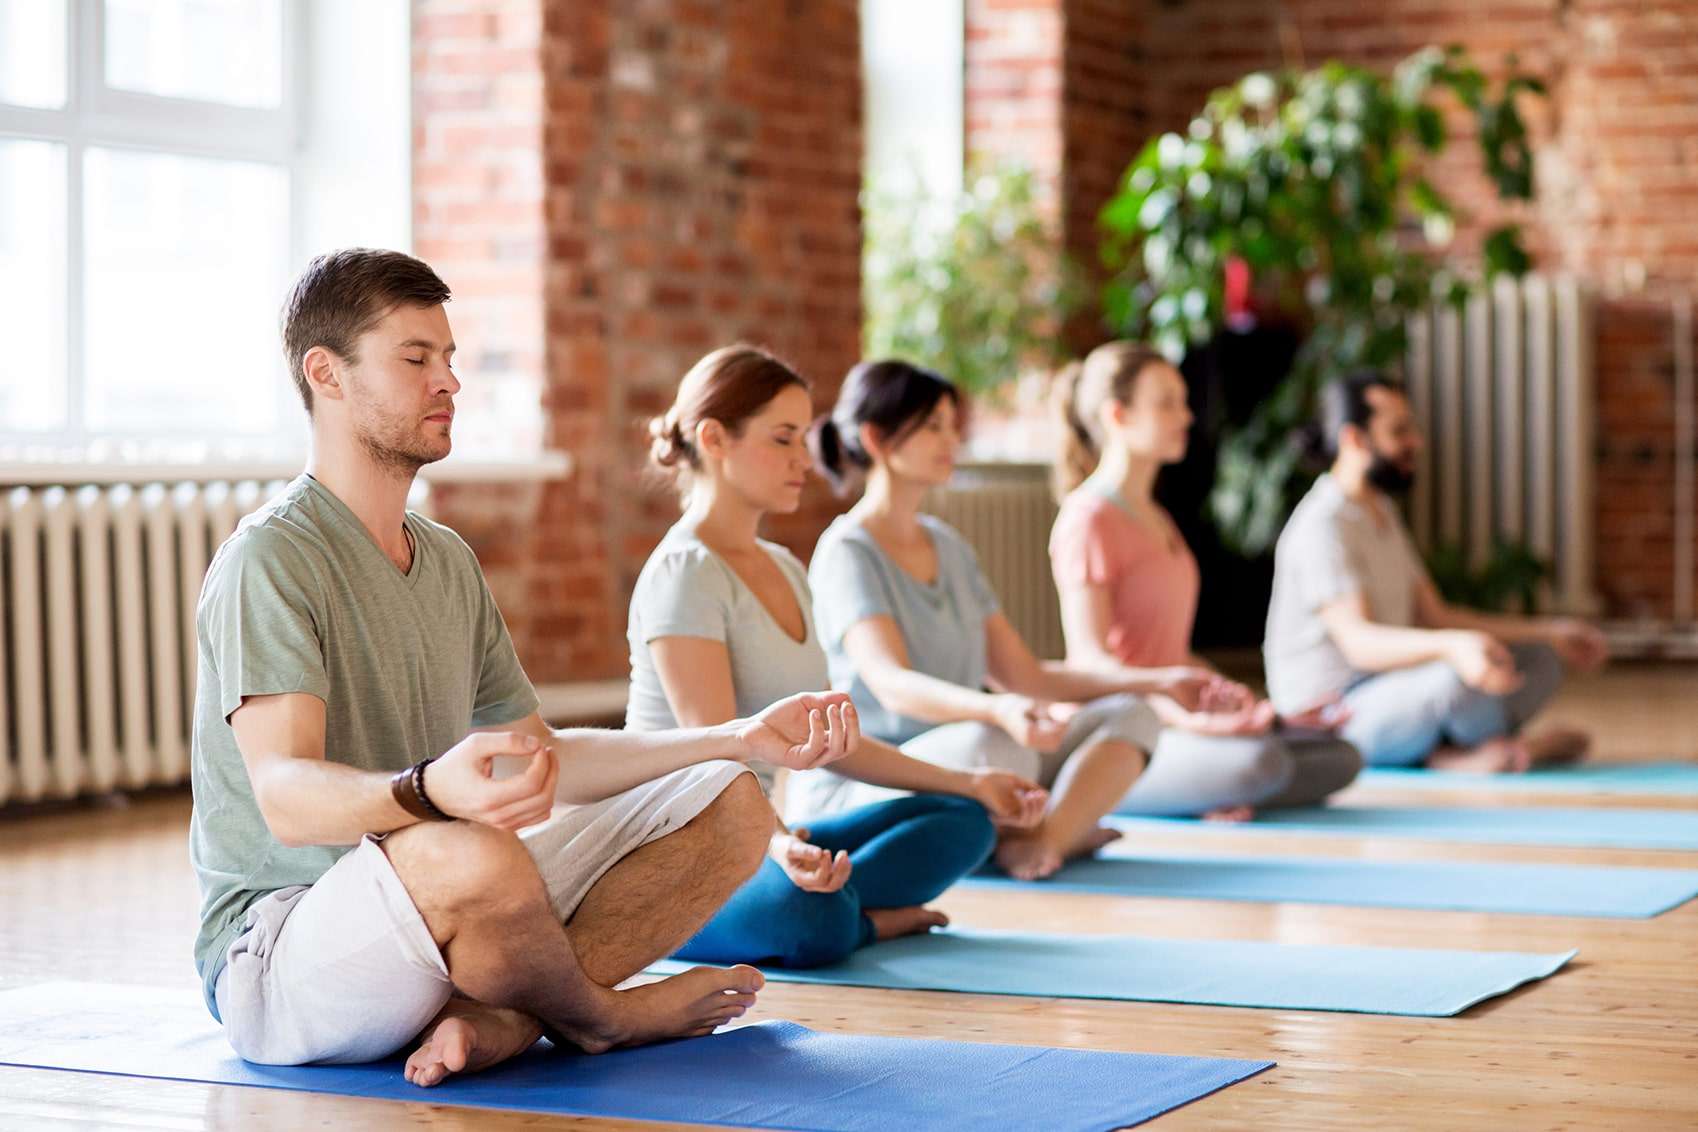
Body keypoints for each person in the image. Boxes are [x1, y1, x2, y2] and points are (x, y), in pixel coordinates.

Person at [190, 249, 860, 1086]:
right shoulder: (273, 557)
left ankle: (500, 1017)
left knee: (731, 800)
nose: (449, 382)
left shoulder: (444, 559)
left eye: (449, 359)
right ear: (325, 374)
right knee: (472, 852)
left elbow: (547, 757)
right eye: (415, 358)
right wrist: (429, 790)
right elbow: (285, 796)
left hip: (438, 899)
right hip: (283, 954)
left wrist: (735, 739)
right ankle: (599, 1017)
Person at [629, 345, 1049, 966]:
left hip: (756, 840)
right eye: (782, 439)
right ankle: (863, 922)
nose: (804, 458)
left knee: (965, 821)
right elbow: (717, 758)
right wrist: (775, 843)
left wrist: (971, 782)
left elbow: (834, 738)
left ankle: (838, 904)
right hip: (670, 855)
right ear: (715, 439)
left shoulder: (783, 567)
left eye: (803, 436)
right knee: (804, 913)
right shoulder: (685, 572)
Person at [800, 358, 1243, 881]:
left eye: (953, 425)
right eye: (934, 427)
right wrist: (999, 711)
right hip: (882, 772)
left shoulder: (949, 546)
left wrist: (1159, 682)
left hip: (972, 754)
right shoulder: (847, 550)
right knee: (998, 746)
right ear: (876, 438)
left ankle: (1044, 838)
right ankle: (1051, 830)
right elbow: (893, 685)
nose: (952, 440)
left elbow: (1029, 677)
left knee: (1131, 713)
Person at [1051, 341, 1361, 818]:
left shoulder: (1157, 516)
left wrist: (1255, 708)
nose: (1187, 417)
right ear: (1119, 415)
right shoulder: (1087, 519)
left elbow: (1172, 654)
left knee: (1339, 757)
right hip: (1123, 731)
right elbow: (1089, 661)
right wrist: (1187, 721)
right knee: (1257, 764)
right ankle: (1164, 786)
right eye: (1167, 403)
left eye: (1184, 401)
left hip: (1179, 721)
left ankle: (1203, 783)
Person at [1263, 370, 1609, 772]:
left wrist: (1549, 631)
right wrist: (1453, 648)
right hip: (1337, 716)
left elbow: (1437, 616)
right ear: (1354, 439)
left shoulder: (1381, 512)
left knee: (1542, 659)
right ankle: (1498, 749)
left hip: (1396, 688)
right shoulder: (1323, 524)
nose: (1417, 442)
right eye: (1400, 431)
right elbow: (1360, 643)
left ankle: (1457, 752)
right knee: (1453, 680)